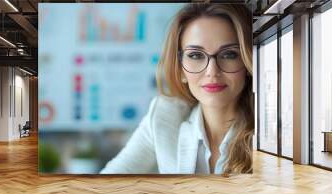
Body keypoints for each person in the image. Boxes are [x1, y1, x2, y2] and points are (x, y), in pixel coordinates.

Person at [100, 3, 253, 175]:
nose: (212, 72)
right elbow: (101, 188)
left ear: (247, 63)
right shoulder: (164, 117)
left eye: (229, 54)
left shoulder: (269, 133)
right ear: (180, 69)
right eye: (195, 55)